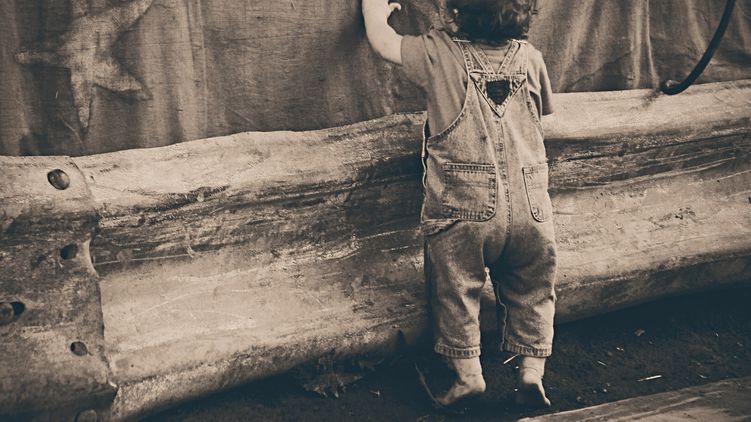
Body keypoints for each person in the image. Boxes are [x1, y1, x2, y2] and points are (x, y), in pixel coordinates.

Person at [362, 0, 557, 408]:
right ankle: (531, 371)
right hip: (532, 206)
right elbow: (541, 116)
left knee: (455, 287)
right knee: (533, 287)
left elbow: (382, 42)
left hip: (464, 207)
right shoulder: (532, 59)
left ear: (453, 11)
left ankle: (468, 376)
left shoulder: (437, 52)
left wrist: (374, 6)